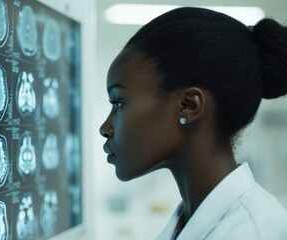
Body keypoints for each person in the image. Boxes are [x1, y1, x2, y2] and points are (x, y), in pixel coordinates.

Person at [99, 7, 287, 240]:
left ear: (188, 105)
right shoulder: (186, 223)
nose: (105, 128)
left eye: (118, 102)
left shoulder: (255, 232)